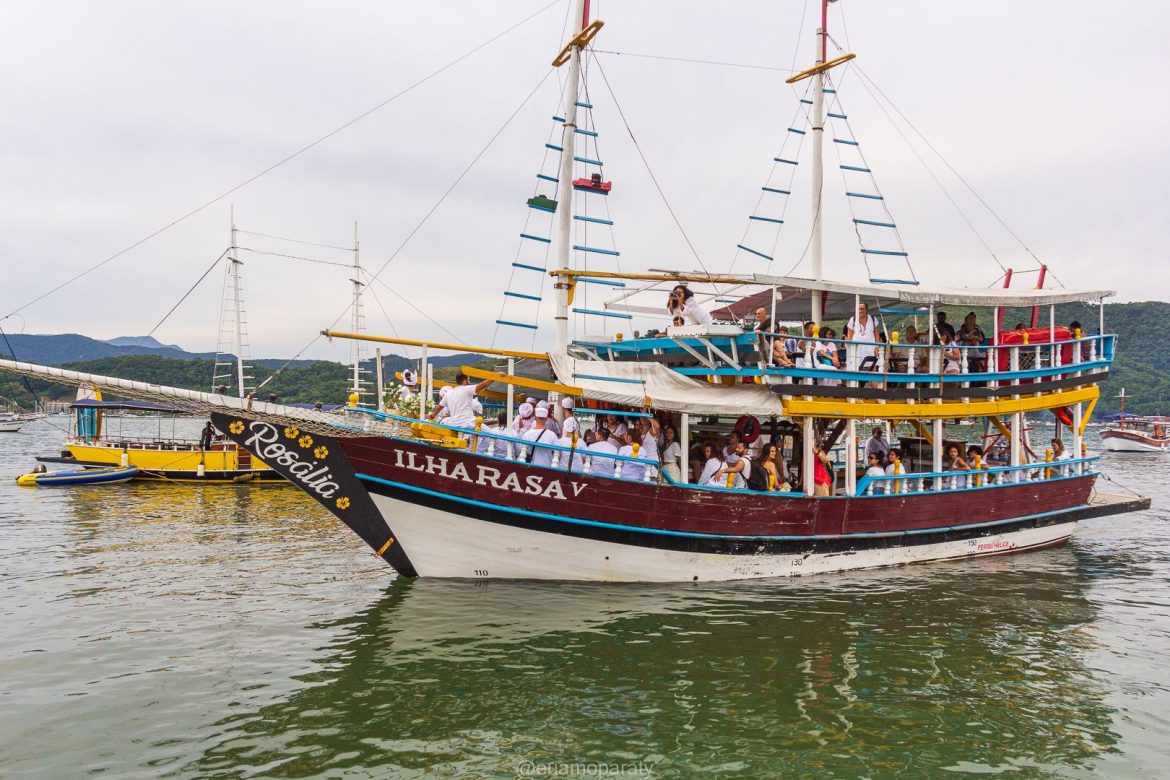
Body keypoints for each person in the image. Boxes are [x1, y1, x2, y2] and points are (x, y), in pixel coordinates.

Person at [428, 372, 494, 429]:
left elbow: (439, 407)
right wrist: (494, 378)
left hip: (455, 424)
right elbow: (482, 385)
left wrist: (432, 416)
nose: (469, 382)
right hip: (469, 422)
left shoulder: (449, 393)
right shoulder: (467, 389)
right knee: (492, 435)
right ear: (464, 381)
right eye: (468, 380)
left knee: (474, 437)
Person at [845, 301, 880, 368]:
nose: (860, 311)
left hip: (870, 347)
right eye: (859, 309)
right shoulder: (853, 319)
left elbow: (876, 335)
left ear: (866, 309)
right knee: (857, 366)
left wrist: (876, 347)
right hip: (858, 348)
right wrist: (849, 349)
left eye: (862, 309)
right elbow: (849, 336)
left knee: (872, 366)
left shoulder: (872, 319)